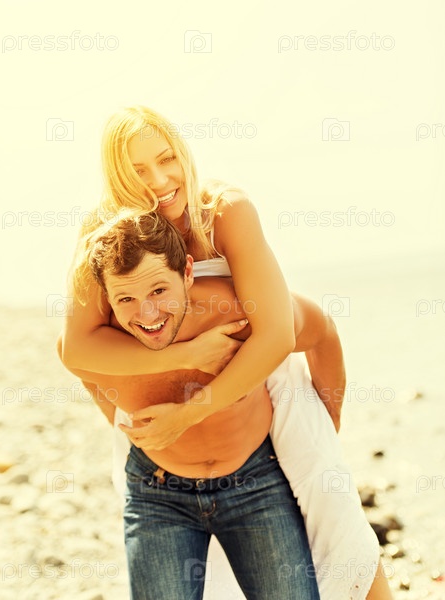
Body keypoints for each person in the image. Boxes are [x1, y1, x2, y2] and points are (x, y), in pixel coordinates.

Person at [58, 106, 391, 598]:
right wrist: (184, 357)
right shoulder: (105, 234)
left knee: (339, 529)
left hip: (258, 386)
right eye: (138, 170)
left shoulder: (223, 212)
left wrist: (327, 417)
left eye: (166, 159)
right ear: (117, 178)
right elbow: (77, 348)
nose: (159, 181)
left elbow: (280, 334)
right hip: (166, 450)